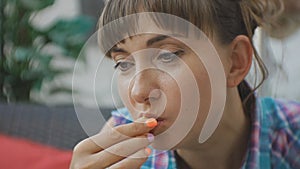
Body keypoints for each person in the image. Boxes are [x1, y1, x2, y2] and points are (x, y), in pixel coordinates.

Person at [70, 0, 300, 169]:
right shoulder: (121, 155)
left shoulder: (292, 136)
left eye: (167, 56)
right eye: (123, 64)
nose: (139, 91)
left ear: (235, 62)